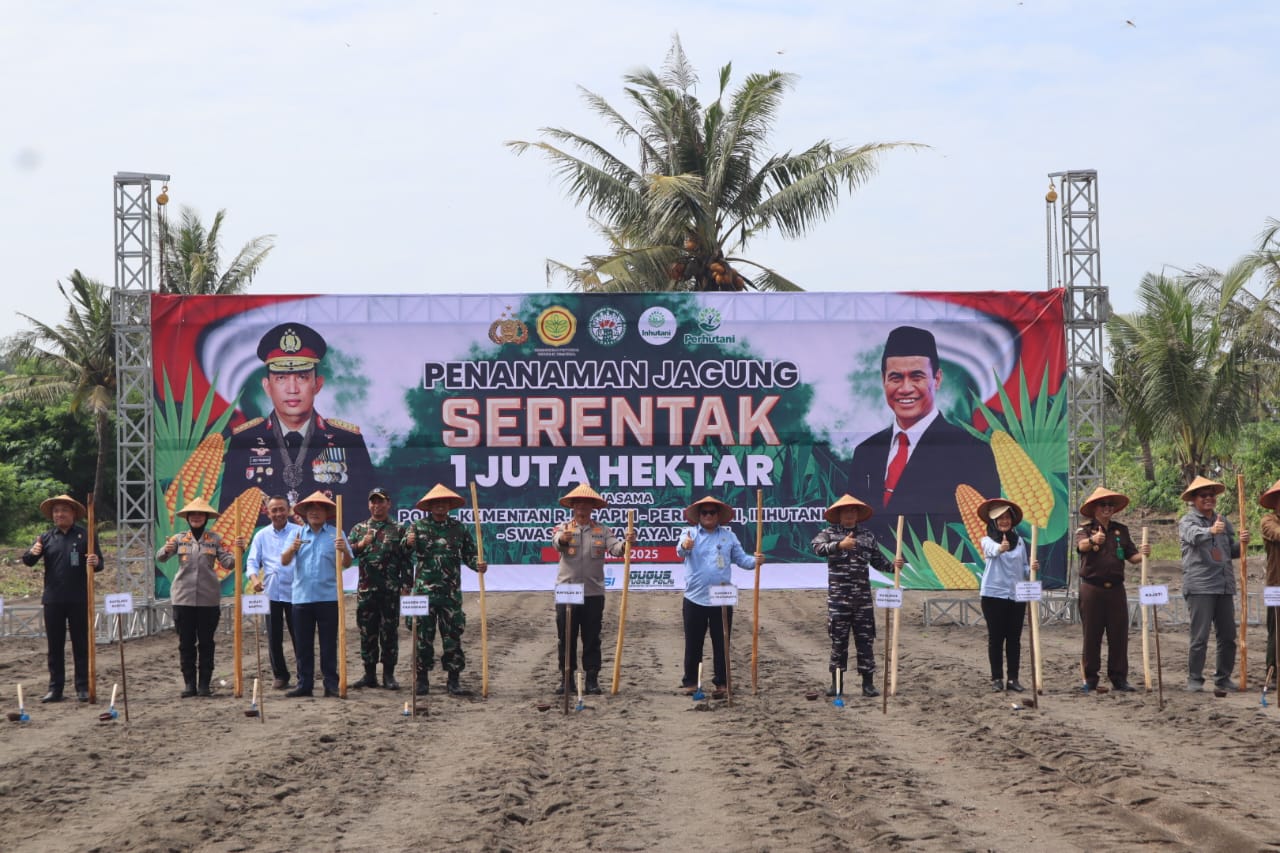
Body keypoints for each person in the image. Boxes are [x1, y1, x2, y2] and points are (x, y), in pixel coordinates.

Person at [848, 325, 1000, 553]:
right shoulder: (866, 452)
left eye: (917, 377)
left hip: (936, 580)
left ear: (937, 379)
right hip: (873, 574)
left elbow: (985, 530)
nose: (905, 388)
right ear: (883, 381)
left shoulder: (972, 452)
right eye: (896, 378)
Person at [221, 322, 373, 515]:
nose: (292, 389)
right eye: (281, 378)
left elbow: (366, 513)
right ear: (267, 386)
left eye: (302, 377)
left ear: (317, 384)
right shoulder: (245, 439)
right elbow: (228, 513)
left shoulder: (347, 439)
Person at [811, 494, 903, 698]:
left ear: (858, 515)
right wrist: (839, 545)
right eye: (846, 511)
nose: (850, 515)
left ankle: (868, 684)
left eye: (853, 511)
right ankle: (837, 684)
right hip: (838, 600)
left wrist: (894, 565)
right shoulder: (828, 533)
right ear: (839, 514)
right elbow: (816, 548)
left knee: (865, 641)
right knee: (838, 642)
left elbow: (879, 562)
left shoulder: (867, 536)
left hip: (862, 600)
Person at [403, 484, 487, 696]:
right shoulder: (417, 527)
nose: (440, 505)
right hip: (423, 593)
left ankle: (454, 680)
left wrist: (478, 564)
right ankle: (421, 679)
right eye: (436, 503)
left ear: (449, 505)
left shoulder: (458, 528)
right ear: (429, 506)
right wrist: (408, 543)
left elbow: (470, 555)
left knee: (452, 637)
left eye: (444, 503)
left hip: (450, 594)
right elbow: (403, 551)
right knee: (422, 637)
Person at [550, 483, 633, 695]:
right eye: (578, 505)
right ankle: (566, 679)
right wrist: (563, 539)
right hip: (567, 591)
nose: (582, 509)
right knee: (566, 637)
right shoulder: (563, 528)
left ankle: (592, 680)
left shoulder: (602, 530)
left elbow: (616, 549)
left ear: (592, 508)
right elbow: (557, 543)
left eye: (586, 505)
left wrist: (626, 544)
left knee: (592, 637)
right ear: (573, 507)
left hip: (593, 592)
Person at [676, 495, 763, 697]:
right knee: (693, 641)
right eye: (704, 512)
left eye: (711, 512)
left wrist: (756, 560)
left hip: (722, 596)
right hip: (694, 596)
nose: (708, 516)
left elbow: (742, 560)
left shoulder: (728, 537)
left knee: (722, 641)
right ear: (699, 515)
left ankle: (722, 683)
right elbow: (680, 550)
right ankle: (690, 681)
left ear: (718, 516)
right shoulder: (688, 533)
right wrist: (685, 546)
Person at [22, 494, 103, 703]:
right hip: (53, 599)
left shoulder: (86, 536)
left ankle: (83, 687)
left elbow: (99, 564)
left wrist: (95, 561)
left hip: (79, 598)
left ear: (73, 513)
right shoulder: (46, 538)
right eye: (56, 511)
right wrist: (32, 551)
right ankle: (55, 689)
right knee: (55, 646)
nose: (60, 514)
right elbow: (28, 561)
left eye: (64, 510)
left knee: (81, 645)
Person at [156, 497, 239, 698]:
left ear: (206, 517)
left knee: (206, 642)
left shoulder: (215, 539)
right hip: (183, 598)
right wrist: (165, 550)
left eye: (200, 514)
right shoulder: (178, 539)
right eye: (193, 514)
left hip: (208, 599)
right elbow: (160, 557)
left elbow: (228, 564)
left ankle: (204, 685)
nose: (196, 517)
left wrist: (239, 550)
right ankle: (189, 684)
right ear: (188, 517)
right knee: (186, 642)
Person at [1179, 475, 1248, 693]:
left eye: (1211, 495)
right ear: (1194, 500)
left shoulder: (1223, 520)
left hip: (1224, 585)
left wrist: (1243, 543)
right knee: (1199, 636)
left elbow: (1230, 551)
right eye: (1203, 496)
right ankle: (1195, 679)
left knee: (1228, 636)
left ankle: (1223, 677)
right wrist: (1211, 531)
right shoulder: (1187, 521)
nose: (1208, 499)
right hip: (1200, 586)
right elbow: (1195, 537)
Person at [1076, 486, 1149, 692]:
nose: (1107, 508)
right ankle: (1090, 678)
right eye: (1103, 505)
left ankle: (1119, 677)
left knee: (1118, 634)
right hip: (1092, 588)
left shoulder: (1121, 530)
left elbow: (1131, 556)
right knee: (1092, 634)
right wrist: (1093, 540)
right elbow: (1081, 547)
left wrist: (1143, 554)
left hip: (1116, 589)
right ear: (1094, 508)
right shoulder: (1085, 529)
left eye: (1110, 505)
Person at [281, 490, 353, 698]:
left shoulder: (336, 534)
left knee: (329, 644)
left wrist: (345, 551)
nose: (315, 512)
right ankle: (305, 684)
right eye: (311, 509)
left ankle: (331, 683)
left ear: (326, 513)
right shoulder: (296, 535)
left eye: (319, 509)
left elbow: (346, 564)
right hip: (301, 598)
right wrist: (292, 549)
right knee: (303, 645)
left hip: (329, 598)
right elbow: (284, 561)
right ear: (305, 513)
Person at [349, 487, 408, 690]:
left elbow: (406, 560)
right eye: (373, 502)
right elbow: (348, 555)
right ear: (368, 504)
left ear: (388, 504)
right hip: (366, 591)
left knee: (389, 633)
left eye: (380, 501)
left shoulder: (399, 529)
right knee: (367, 632)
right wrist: (359, 545)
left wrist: (407, 585)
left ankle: (389, 676)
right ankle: (369, 674)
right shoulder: (359, 529)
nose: (376, 505)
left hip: (390, 591)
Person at [977, 496, 1037, 692]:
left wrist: (1032, 568)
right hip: (993, 595)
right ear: (994, 522)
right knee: (996, 638)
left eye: (1007, 517)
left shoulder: (1019, 541)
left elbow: (1024, 567)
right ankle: (996, 678)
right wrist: (1000, 548)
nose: (1004, 521)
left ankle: (1013, 679)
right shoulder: (986, 540)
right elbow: (992, 551)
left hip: (1016, 595)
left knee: (1014, 638)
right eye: (1000, 518)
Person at [246, 494, 303, 690]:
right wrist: (254, 579)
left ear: (289, 510)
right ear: (267, 512)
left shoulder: (299, 532)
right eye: (274, 510)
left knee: (299, 635)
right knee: (274, 635)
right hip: (271, 591)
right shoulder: (261, 535)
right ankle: (280, 675)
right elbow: (252, 562)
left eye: (281, 509)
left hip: (296, 591)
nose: (278, 513)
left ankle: (303, 674)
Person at [1259, 479, 1280, 688]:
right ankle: (1272, 671)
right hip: (1277, 585)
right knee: (1276, 631)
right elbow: (1277, 534)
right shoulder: (1268, 520)